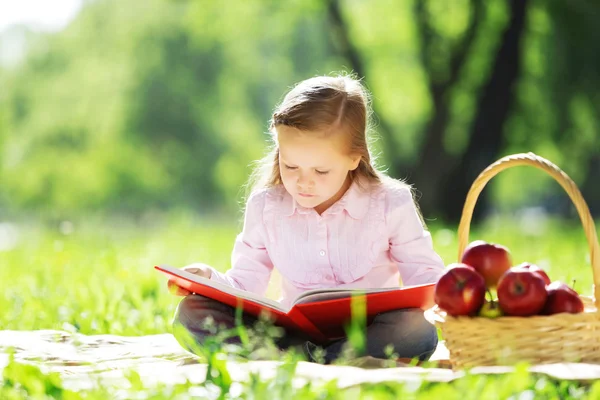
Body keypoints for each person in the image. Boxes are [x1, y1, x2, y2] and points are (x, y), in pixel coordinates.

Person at [168, 73, 446, 364]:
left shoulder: (391, 202)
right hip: (288, 334)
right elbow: (244, 284)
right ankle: (313, 357)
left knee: (417, 330)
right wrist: (207, 279)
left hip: (370, 332)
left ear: (355, 158)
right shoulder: (266, 206)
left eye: (321, 171)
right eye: (290, 166)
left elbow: (426, 279)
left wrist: (450, 292)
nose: (304, 182)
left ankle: (295, 360)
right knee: (192, 313)